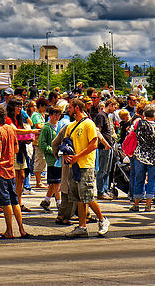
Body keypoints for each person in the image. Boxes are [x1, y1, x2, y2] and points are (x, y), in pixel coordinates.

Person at [60, 100, 110, 238]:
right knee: (79, 199)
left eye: (70, 107)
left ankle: (102, 219)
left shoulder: (89, 123)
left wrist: (77, 156)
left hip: (85, 165)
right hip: (73, 166)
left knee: (88, 196)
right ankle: (82, 227)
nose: (68, 110)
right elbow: (65, 143)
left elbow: (94, 144)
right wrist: (65, 155)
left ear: (77, 108)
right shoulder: (71, 126)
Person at [0, 104, 32, 239]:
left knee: (5, 202)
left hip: (0, 171)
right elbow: (17, 149)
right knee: (15, 201)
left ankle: (9, 231)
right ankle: (22, 229)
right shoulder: (10, 129)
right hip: (11, 170)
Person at [132, 104, 155, 213]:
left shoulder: (139, 124)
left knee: (139, 179)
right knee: (152, 180)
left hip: (140, 155)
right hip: (153, 157)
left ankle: (136, 204)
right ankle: (148, 205)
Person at [38, 105, 63, 211]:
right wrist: (53, 150)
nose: (57, 117)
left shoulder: (60, 126)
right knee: (57, 183)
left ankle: (46, 201)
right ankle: (60, 203)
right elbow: (42, 144)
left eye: (59, 115)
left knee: (54, 182)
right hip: (52, 160)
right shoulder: (46, 128)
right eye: (55, 115)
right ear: (51, 115)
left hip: (59, 158)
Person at [94, 98, 117, 200]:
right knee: (102, 170)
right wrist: (105, 143)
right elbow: (97, 131)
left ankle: (105, 190)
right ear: (110, 105)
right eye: (114, 106)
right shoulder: (101, 116)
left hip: (109, 146)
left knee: (107, 170)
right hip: (104, 147)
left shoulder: (107, 116)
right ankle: (100, 191)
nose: (115, 109)